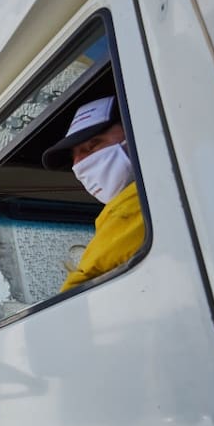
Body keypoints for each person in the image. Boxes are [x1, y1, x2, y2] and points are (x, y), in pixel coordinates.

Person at [42, 95, 145, 292]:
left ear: (134, 130)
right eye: (74, 157)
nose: (79, 165)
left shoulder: (132, 206)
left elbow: (78, 296)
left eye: (92, 145)